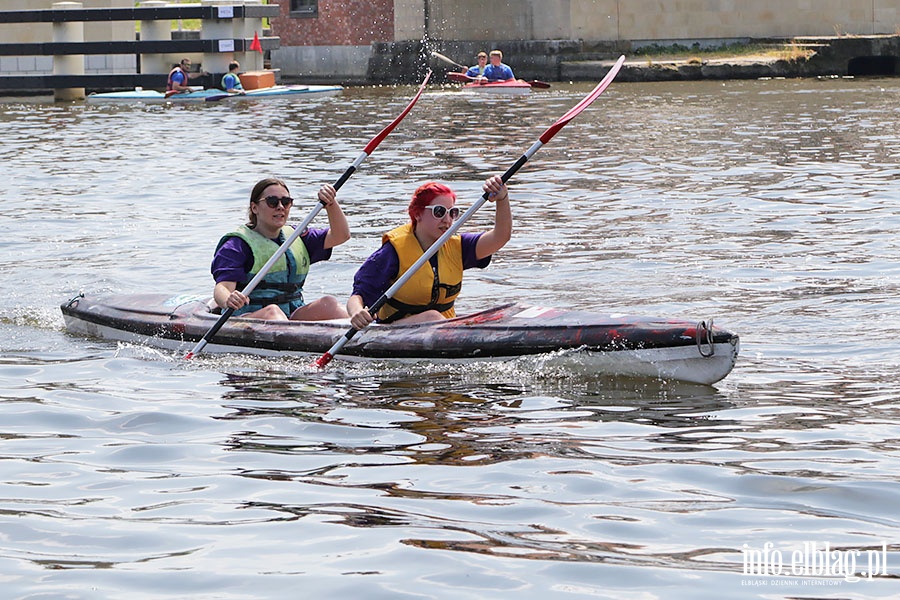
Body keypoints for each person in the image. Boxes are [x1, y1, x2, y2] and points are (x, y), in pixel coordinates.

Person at [347, 175, 511, 329]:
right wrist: (356, 312)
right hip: (394, 330)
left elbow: (500, 237)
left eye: (452, 213)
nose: (447, 220)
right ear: (417, 214)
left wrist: (502, 199)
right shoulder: (392, 252)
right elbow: (358, 295)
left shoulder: (459, 246)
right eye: (439, 212)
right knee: (431, 317)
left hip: (443, 328)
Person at [212, 177, 351, 321]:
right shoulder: (236, 245)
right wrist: (229, 299)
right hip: (248, 318)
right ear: (254, 208)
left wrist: (330, 203)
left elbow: (341, 235)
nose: (280, 207)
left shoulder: (297, 236)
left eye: (286, 202)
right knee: (273, 313)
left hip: (291, 313)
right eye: (272, 202)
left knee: (329, 303)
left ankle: (360, 338)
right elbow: (222, 288)